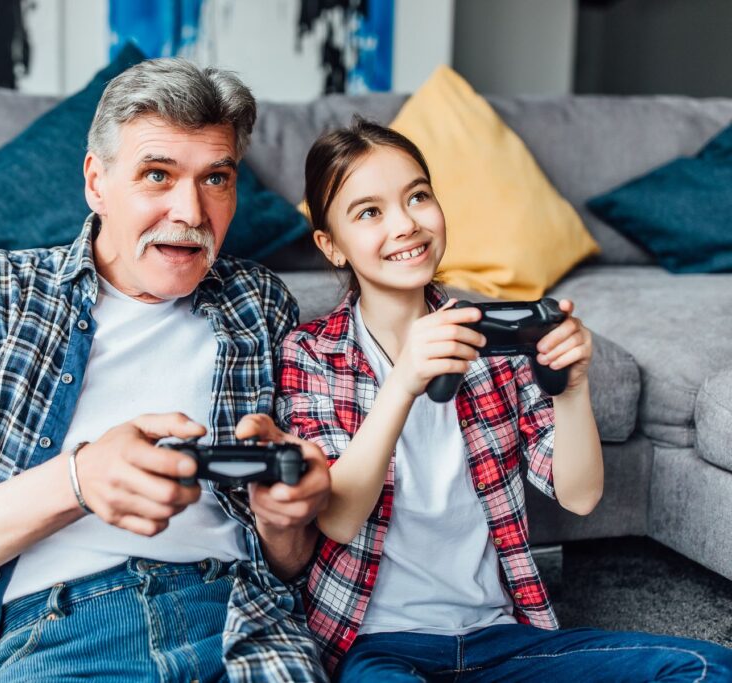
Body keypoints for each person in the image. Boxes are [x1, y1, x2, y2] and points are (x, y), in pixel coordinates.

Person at [0, 58, 330, 683]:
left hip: (240, 620)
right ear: (96, 182)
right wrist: (79, 482)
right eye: (157, 175)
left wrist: (285, 521)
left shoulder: (259, 304)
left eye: (215, 177)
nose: (190, 209)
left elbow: (289, 564)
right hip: (62, 627)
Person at [276, 116, 732, 681]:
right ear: (332, 245)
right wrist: (403, 382)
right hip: (378, 646)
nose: (406, 224)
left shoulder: (500, 344)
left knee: (705, 667)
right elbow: (339, 520)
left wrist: (572, 385)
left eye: (418, 196)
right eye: (369, 212)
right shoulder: (311, 354)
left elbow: (582, 495)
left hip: (501, 638)